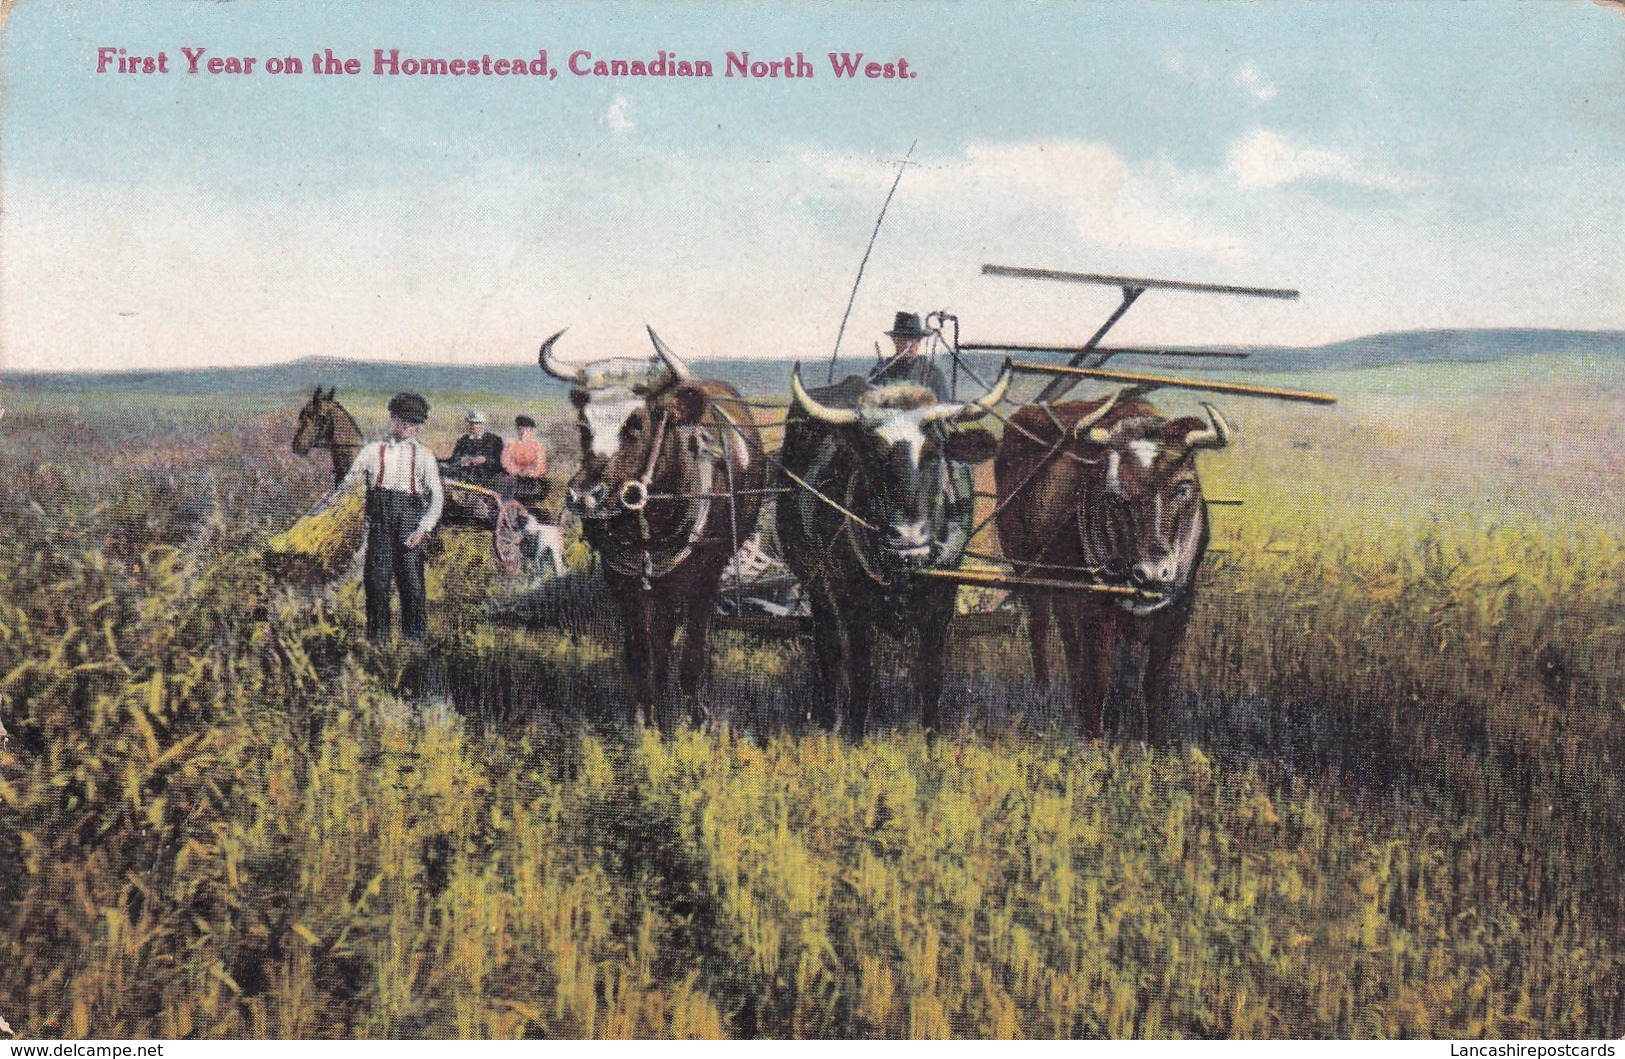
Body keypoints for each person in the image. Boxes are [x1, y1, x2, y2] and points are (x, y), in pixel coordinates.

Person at [333, 392, 444, 642]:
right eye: (402, 421)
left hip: (409, 523)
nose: (407, 427)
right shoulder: (373, 451)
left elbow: (436, 497)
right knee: (376, 582)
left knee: (412, 583)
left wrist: (423, 528)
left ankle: (414, 641)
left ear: (419, 425)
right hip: (380, 522)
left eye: (413, 423)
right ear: (393, 419)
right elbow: (348, 484)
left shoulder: (425, 455)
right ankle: (377, 641)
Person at [870, 310, 948, 394]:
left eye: (912, 338)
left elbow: (943, 406)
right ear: (894, 340)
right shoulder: (879, 373)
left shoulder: (934, 374)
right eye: (903, 339)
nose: (908, 344)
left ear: (919, 341)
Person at [447, 410, 504, 480]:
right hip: (463, 478)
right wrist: (463, 461)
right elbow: (454, 459)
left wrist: (485, 460)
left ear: (482, 424)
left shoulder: (495, 441)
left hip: (488, 480)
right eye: (471, 423)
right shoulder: (463, 441)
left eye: (476, 423)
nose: (473, 426)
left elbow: (501, 463)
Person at [501, 414, 548, 479]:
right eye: (520, 429)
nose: (523, 432)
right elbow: (506, 462)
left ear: (531, 431)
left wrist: (530, 472)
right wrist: (518, 471)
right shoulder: (511, 445)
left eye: (526, 429)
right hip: (514, 477)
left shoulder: (537, 446)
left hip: (533, 478)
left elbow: (540, 463)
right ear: (517, 430)